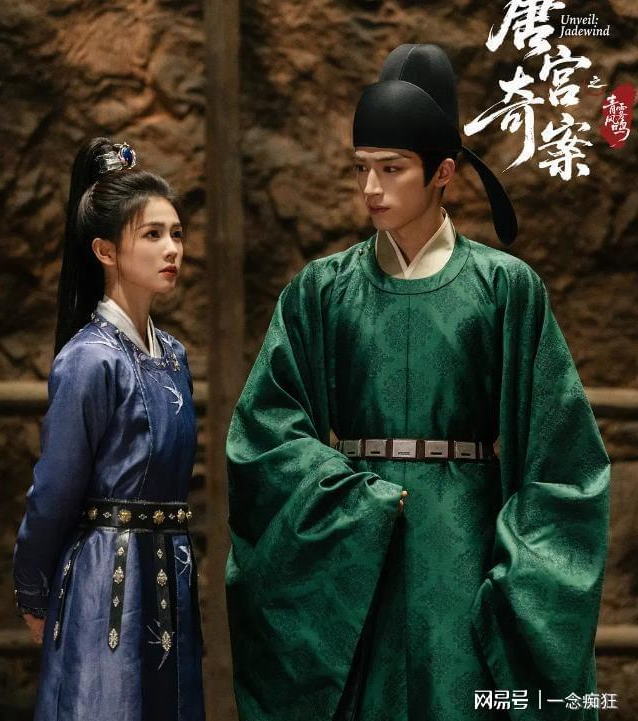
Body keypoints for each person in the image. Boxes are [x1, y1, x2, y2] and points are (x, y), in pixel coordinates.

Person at [225, 45, 610, 721]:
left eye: (392, 168)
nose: (371, 188)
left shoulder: (503, 288)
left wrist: (513, 574)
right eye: (361, 168)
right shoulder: (322, 291)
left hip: (465, 551)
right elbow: (264, 432)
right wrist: (351, 497)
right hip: (356, 548)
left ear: (443, 173)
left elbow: (563, 458)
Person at [13, 138, 205, 721]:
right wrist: (33, 589)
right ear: (104, 250)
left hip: (168, 571)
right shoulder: (90, 359)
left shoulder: (172, 354)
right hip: (107, 580)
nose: (171, 248)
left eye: (176, 233)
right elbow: (53, 491)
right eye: (152, 234)